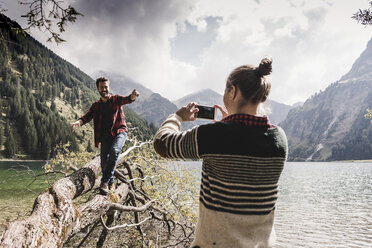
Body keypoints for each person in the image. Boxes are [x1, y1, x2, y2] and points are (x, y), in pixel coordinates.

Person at [153, 58, 288, 248]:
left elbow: (162, 144)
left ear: (233, 91)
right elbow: (245, 143)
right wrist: (229, 125)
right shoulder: (279, 139)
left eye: (225, 90)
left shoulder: (213, 136)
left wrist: (177, 117)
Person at [71, 77, 139, 195]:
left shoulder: (116, 99)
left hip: (119, 132)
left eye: (106, 87)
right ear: (98, 88)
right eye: (102, 87)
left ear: (109, 87)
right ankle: (111, 183)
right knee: (104, 163)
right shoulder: (96, 105)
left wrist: (132, 96)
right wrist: (79, 122)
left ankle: (104, 182)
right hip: (105, 136)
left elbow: (127, 99)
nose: (104, 89)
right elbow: (87, 117)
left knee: (114, 151)